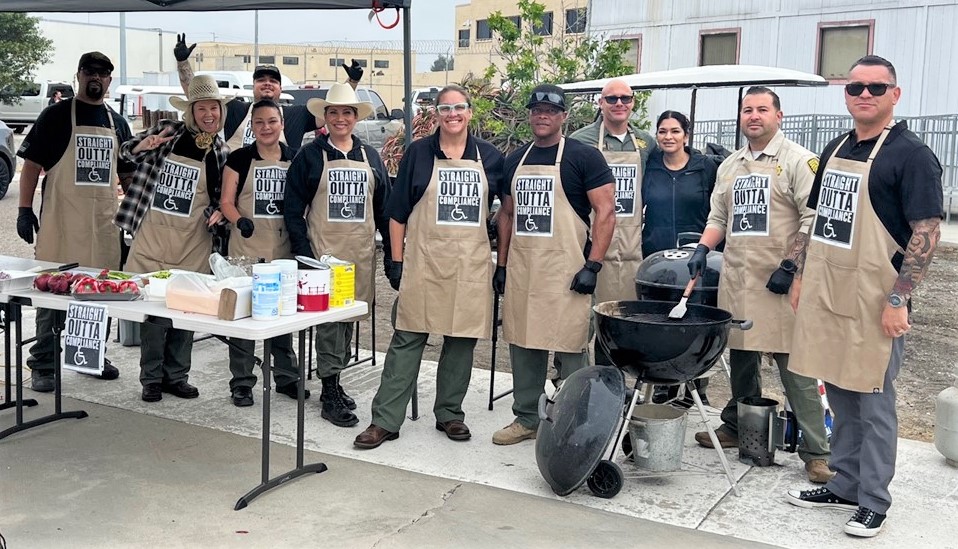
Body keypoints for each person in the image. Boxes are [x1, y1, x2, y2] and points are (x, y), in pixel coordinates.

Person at [784, 55, 944, 538]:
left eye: (877, 87)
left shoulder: (911, 155)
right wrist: (797, 273)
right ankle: (845, 482)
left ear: (895, 94)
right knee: (838, 390)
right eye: (856, 87)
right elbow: (814, 220)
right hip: (828, 291)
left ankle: (873, 499)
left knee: (873, 402)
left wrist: (899, 299)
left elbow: (926, 232)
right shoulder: (835, 147)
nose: (865, 95)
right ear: (846, 95)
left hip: (877, 299)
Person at [687, 86, 833, 484]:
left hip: (782, 281)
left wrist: (791, 265)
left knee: (794, 365)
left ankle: (817, 451)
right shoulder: (730, 165)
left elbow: (814, 217)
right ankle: (737, 425)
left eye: (762, 109)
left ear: (778, 116)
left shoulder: (799, 161)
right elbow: (719, 216)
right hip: (738, 277)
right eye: (747, 110)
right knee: (742, 357)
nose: (754, 116)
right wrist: (703, 248)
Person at [354, 85, 504, 449]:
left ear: (470, 112)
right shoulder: (419, 153)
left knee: (461, 340)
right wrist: (394, 260)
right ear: (436, 114)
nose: (453, 114)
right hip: (423, 263)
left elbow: (508, 212)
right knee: (407, 338)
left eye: (459, 107)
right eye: (445, 108)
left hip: (470, 267)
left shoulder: (490, 156)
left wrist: (505, 262)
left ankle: (450, 414)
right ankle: (385, 420)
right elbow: (397, 213)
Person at [491, 84, 615, 445]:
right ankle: (527, 417)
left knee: (571, 344)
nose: (542, 115)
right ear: (529, 114)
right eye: (536, 109)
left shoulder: (583, 157)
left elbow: (606, 213)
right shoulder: (514, 159)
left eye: (551, 110)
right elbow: (508, 214)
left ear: (563, 116)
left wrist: (593, 265)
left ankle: (575, 422)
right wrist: (501, 264)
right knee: (523, 342)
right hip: (524, 268)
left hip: (567, 271)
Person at [16, 51, 133, 391]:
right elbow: (32, 167)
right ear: (79, 75)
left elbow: (126, 174)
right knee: (53, 295)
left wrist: (136, 217)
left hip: (102, 224)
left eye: (103, 73)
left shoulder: (118, 122)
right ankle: (44, 363)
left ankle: (89, 355)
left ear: (109, 80)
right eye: (90, 71)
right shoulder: (54, 115)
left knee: (98, 294)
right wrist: (24, 210)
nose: (96, 78)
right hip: (62, 222)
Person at [114, 74, 230, 403]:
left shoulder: (221, 150)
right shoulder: (167, 133)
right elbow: (125, 153)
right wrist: (141, 145)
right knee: (154, 312)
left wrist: (218, 214)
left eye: (215, 109)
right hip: (153, 233)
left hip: (192, 240)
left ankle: (177, 375)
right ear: (190, 111)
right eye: (202, 108)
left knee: (185, 311)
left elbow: (220, 197)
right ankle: (151, 377)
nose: (209, 115)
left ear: (221, 112)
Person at [284, 83, 390, 428]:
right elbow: (292, 209)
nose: (340, 118)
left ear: (356, 117)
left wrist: (391, 255)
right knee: (329, 324)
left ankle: (335, 378)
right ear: (324, 117)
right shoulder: (310, 156)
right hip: (323, 256)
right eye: (333, 112)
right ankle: (329, 390)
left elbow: (384, 209)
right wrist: (304, 253)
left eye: (347, 112)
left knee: (347, 322)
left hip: (359, 255)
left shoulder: (371, 157)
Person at [218, 99, 307, 407]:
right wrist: (238, 219)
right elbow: (226, 201)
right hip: (246, 247)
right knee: (242, 317)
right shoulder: (240, 158)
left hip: (282, 249)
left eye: (272, 121)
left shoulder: (295, 159)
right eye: (259, 122)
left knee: (282, 315)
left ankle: (287, 376)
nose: (266, 128)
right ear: (252, 126)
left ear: (281, 124)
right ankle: (241, 382)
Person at [569, 78, 654, 366]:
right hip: (591, 239)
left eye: (626, 99)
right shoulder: (581, 140)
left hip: (631, 243)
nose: (619, 104)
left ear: (633, 103)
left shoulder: (646, 142)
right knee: (582, 318)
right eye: (612, 99)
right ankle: (569, 376)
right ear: (600, 103)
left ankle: (614, 376)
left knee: (621, 318)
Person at [174, 34, 363, 155]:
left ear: (281, 88)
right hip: (235, 197)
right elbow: (198, 96)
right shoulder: (235, 110)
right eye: (261, 80)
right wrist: (183, 63)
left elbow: (334, 107)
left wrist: (352, 82)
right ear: (253, 86)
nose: (267, 83)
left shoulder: (295, 115)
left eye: (273, 81)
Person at [641, 110, 718, 404]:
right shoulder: (650, 166)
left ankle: (698, 386)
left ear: (686, 135)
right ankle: (666, 384)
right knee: (662, 323)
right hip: (658, 254)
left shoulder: (705, 167)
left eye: (675, 131)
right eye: (662, 131)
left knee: (696, 321)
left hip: (697, 255)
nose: (668, 137)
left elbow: (717, 211)